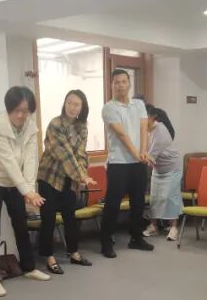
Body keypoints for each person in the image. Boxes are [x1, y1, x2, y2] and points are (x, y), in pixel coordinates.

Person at [0, 86, 52, 296]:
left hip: (15, 182)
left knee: (21, 223)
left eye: (25, 111)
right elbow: (8, 161)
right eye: (17, 110)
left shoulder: (30, 126)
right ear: (8, 108)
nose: (21, 115)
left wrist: (29, 188)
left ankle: (29, 267)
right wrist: (26, 191)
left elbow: (30, 158)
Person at [37, 89, 97, 274]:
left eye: (76, 104)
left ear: (82, 107)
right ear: (64, 104)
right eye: (69, 102)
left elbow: (81, 153)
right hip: (49, 178)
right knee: (48, 219)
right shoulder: (55, 124)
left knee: (70, 217)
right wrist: (81, 176)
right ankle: (49, 257)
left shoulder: (82, 126)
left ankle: (73, 252)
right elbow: (65, 155)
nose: (72, 107)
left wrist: (82, 174)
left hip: (69, 180)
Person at [99, 69, 153, 258]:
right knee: (112, 205)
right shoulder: (109, 108)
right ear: (112, 85)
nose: (120, 85)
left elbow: (144, 128)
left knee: (138, 203)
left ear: (129, 84)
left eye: (124, 81)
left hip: (138, 162)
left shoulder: (139, 104)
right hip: (119, 163)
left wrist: (143, 152)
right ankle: (106, 242)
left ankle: (136, 238)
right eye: (117, 82)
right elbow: (122, 135)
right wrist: (138, 155)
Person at [143, 104, 183, 242]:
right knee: (155, 198)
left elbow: (149, 157)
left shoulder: (160, 130)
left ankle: (174, 228)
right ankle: (153, 226)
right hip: (158, 169)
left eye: (144, 117)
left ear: (153, 117)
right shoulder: (145, 130)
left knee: (170, 197)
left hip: (172, 168)